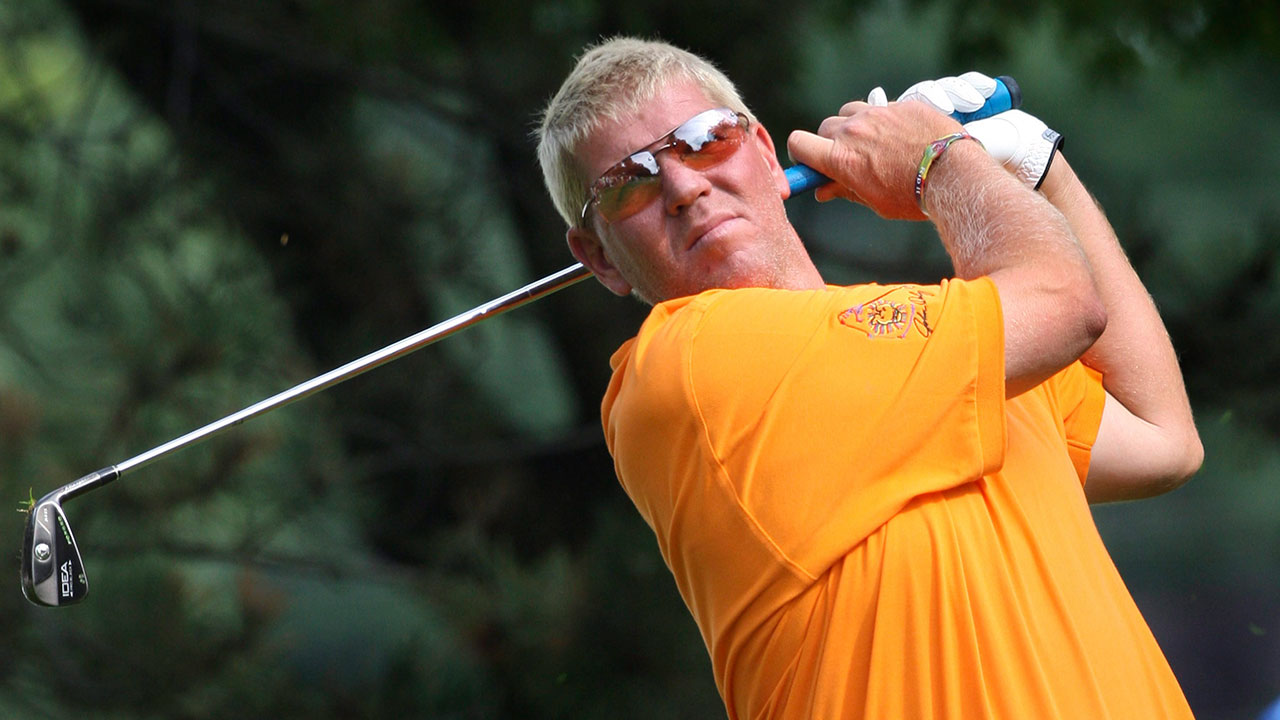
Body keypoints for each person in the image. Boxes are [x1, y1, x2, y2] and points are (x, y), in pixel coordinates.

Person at [536, 36, 1203, 719]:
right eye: (628, 184)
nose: (684, 187)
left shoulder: (957, 337)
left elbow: (1162, 438)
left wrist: (1036, 165)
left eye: (705, 140)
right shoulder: (686, 363)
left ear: (764, 152)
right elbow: (1065, 305)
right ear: (599, 258)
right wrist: (940, 161)